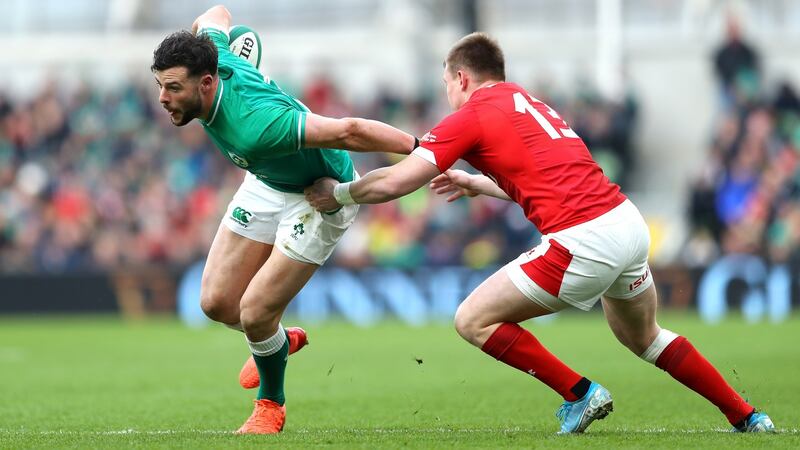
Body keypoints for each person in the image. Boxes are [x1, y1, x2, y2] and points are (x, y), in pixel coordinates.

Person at [305, 32, 775, 434]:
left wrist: (341, 194)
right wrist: (476, 183)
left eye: (446, 83)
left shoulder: (470, 115)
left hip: (583, 240)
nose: (447, 91)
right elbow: (548, 181)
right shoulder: (530, 103)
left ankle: (581, 392)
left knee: (472, 319)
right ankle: (747, 416)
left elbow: (397, 180)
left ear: (462, 79)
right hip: (625, 223)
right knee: (645, 337)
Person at [151, 5, 417, 434]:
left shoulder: (257, 125)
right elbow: (217, 13)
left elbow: (347, 130)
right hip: (267, 180)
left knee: (254, 311)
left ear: (206, 82)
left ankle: (270, 406)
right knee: (216, 304)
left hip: (320, 194)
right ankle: (277, 340)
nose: (162, 98)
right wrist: (205, 35)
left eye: (172, 88)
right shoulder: (213, 55)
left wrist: (425, 148)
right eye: (160, 86)